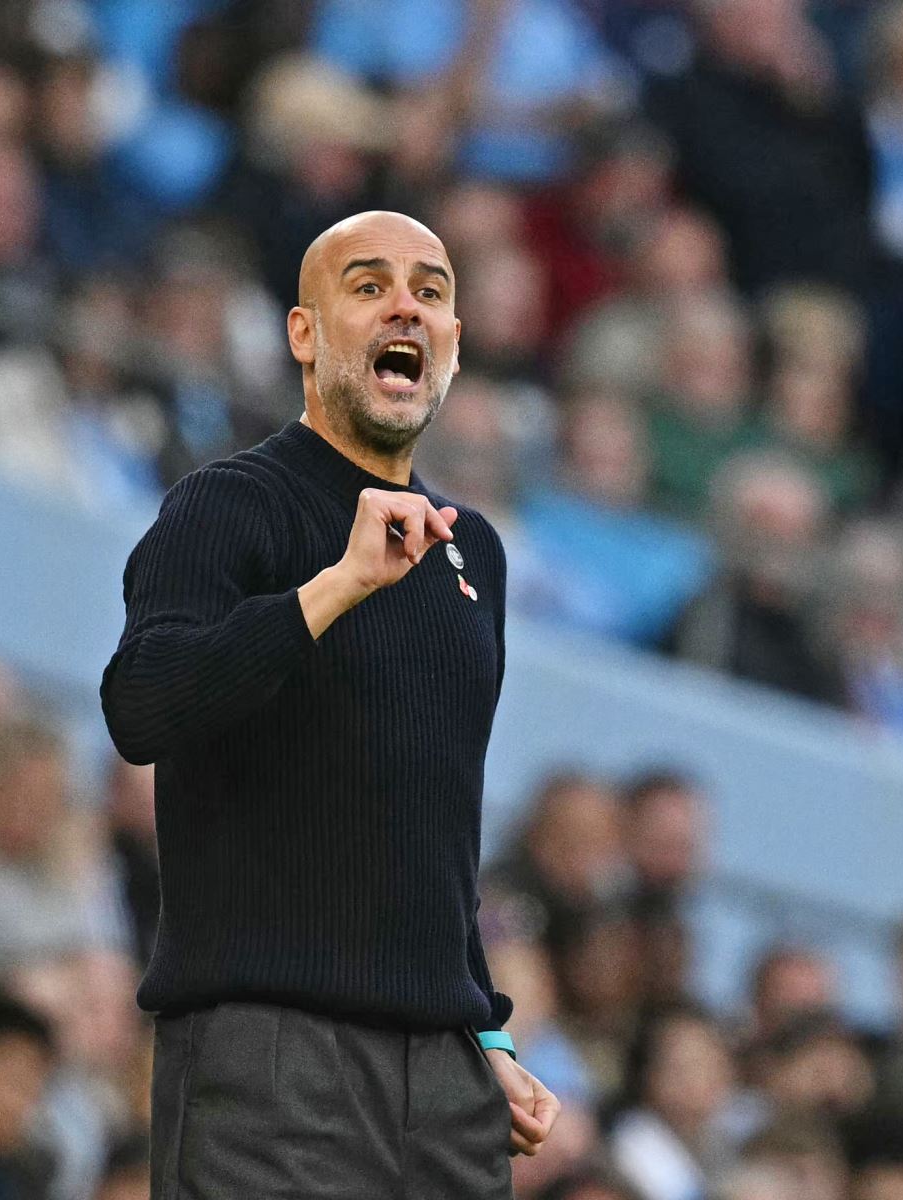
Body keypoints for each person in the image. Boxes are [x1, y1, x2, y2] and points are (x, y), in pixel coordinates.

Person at [100, 210, 559, 1197]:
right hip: (271, 1054)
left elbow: (433, 828)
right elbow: (140, 704)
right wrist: (337, 587)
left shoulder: (472, 548)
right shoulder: (227, 503)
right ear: (305, 334)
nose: (406, 305)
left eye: (431, 292)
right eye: (368, 285)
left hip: (445, 1078)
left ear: (455, 346)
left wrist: (481, 1021)